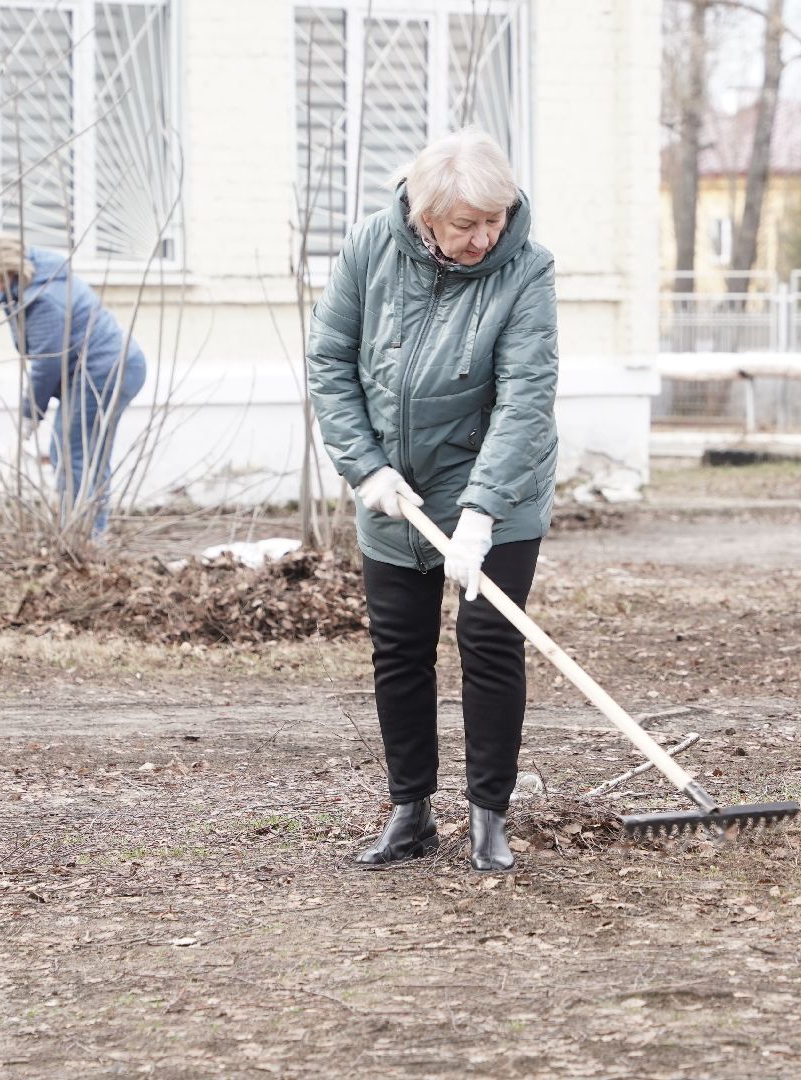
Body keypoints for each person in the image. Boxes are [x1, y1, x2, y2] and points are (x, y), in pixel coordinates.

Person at [306, 130, 559, 873]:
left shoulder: (527, 271)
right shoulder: (368, 250)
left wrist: (481, 512)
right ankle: (409, 812)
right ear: (423, 216)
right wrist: (365, 469)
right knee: (400, 650)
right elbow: (329, 360)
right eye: (464, 225)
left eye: (495, 219)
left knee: (487, 646)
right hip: (395, 491)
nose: (485, 238)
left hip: (496, 489)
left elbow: (524, 401)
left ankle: (487, 817)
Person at [0, 235, 146, 540]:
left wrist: (31, 413)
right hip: (118, 365)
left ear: (9, 273)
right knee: (87, 452)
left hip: (104, 371)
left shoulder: (44, 299)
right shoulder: (42, 277)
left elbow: (47, 364)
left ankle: (83, 537)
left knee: (72, 451)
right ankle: (90, 532)